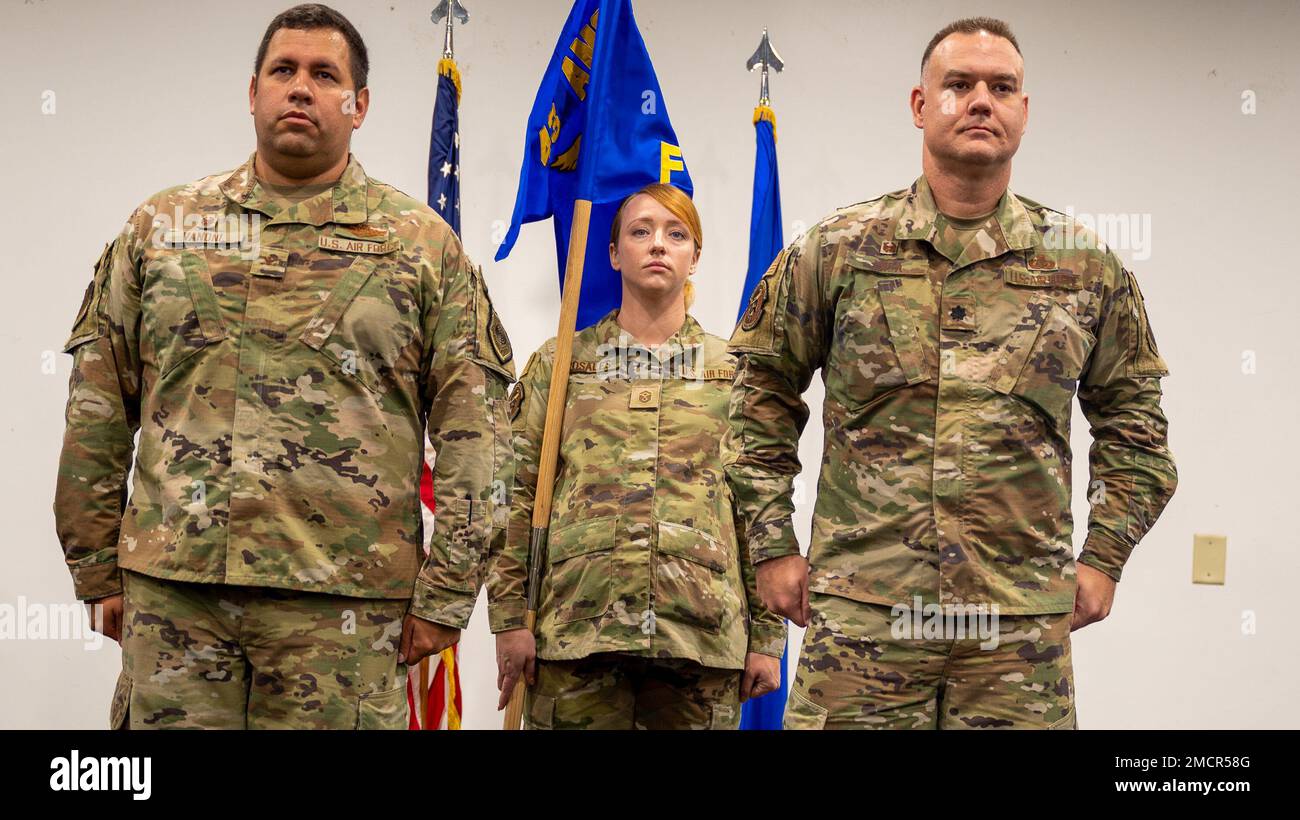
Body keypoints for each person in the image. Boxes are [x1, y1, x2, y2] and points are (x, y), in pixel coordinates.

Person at [53, 3, 514, 729]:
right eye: (283, 71)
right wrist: (94, 567)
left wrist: (449, 593)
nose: (300, 87)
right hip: (177, 598)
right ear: (253, 92)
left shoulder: (423, 248)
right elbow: (98, 402)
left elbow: (476, 435)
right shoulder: (163, 229)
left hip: (345, 614)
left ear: (359, 105)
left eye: (324, 74)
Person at [726, 17, 1177, 729]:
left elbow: (1138, 432)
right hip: (864, 620)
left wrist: (1105, 557)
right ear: (918, 104)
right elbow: (754, 398)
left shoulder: (1085, 267)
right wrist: (772, 546)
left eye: (1002, 87)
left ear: (1023, 112)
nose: (980, 101)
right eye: (958, 85)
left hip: (1015, 630)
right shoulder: (837, 251)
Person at [488, 183, 784, 730]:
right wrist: (509, 619)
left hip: (699, 637)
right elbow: (514, 496)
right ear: (612, 253)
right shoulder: (562, 367)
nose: (657, 245)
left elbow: (759, 507)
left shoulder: (735, 371)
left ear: (695, 256)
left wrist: (767, 635)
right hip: (576, 634)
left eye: (676, 234)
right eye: (640, 231)